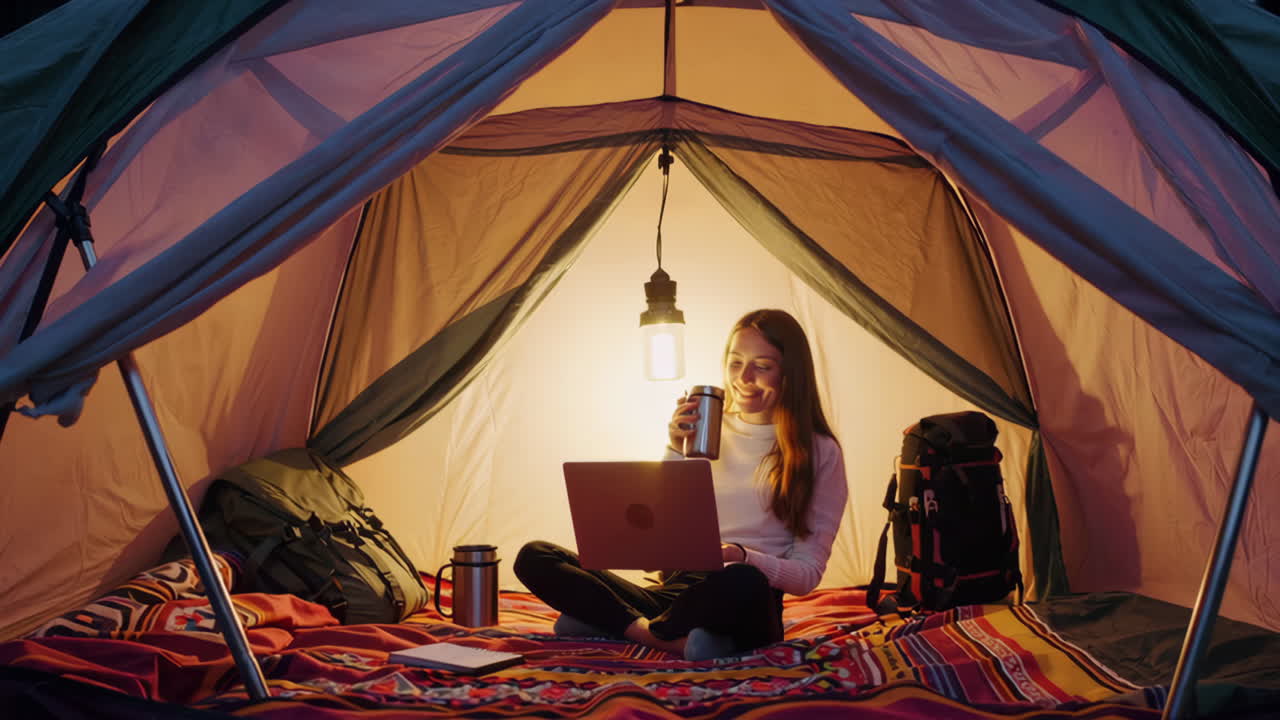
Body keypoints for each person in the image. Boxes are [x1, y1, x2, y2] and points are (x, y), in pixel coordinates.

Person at [514, 309, 847, 660]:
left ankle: (615, 621)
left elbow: (807, 575)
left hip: (743, 598)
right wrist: (674, 449)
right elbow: (661, 529)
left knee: (742, 580)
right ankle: (661, 635)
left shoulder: (820, 451)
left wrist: (741, 555)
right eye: (735, 363)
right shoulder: (710, 429)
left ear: (790, 374)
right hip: (675, 593)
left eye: (762, 366)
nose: (743, 378)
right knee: (534, 556)